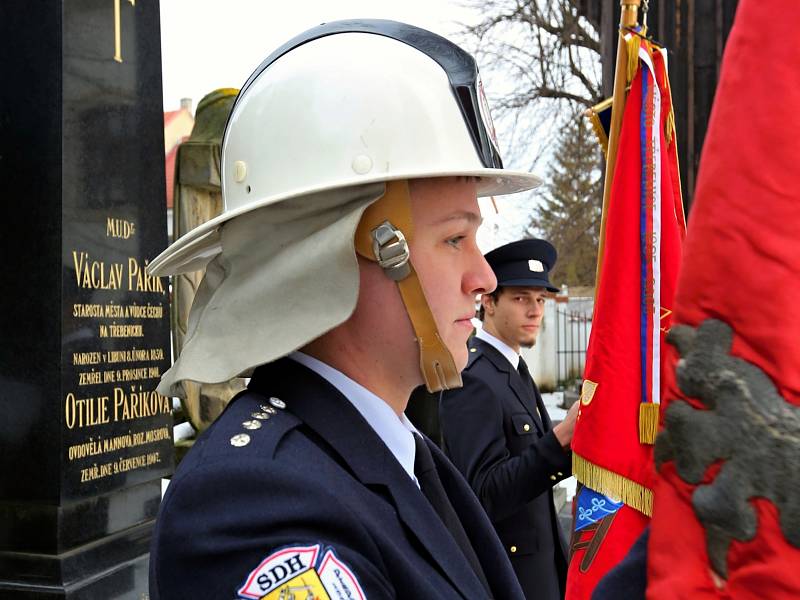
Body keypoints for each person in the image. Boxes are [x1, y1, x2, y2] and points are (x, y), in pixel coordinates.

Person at [146, 20, 547, 600]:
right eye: (456, 239)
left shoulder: (387, 448)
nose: (483, 278)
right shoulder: (254, 507)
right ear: (342, 251)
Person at [439, 238, 580, 600]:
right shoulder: (473, 377)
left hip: (540, 570)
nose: (535, 311)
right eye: (520, 298)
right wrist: (560, 439)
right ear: (488, 301)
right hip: (508, 578)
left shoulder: (512, 369)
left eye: (541, 299)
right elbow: (482, 494)